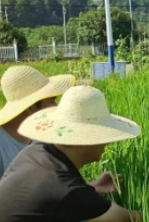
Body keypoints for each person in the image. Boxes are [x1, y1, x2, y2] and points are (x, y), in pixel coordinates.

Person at [0, 85, 143, 222]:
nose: (108, 141)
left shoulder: (37, 153)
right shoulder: (63, 186)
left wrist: (93, 188)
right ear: (85, 141)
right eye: (103, 134)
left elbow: (52, 196)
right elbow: (127, 219)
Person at [0, 65, 117, 194]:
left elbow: (47, 192)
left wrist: (92, 188)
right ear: (31, 108)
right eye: (52, 101)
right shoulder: (2, 146)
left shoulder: (42, 138)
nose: (57, 107)